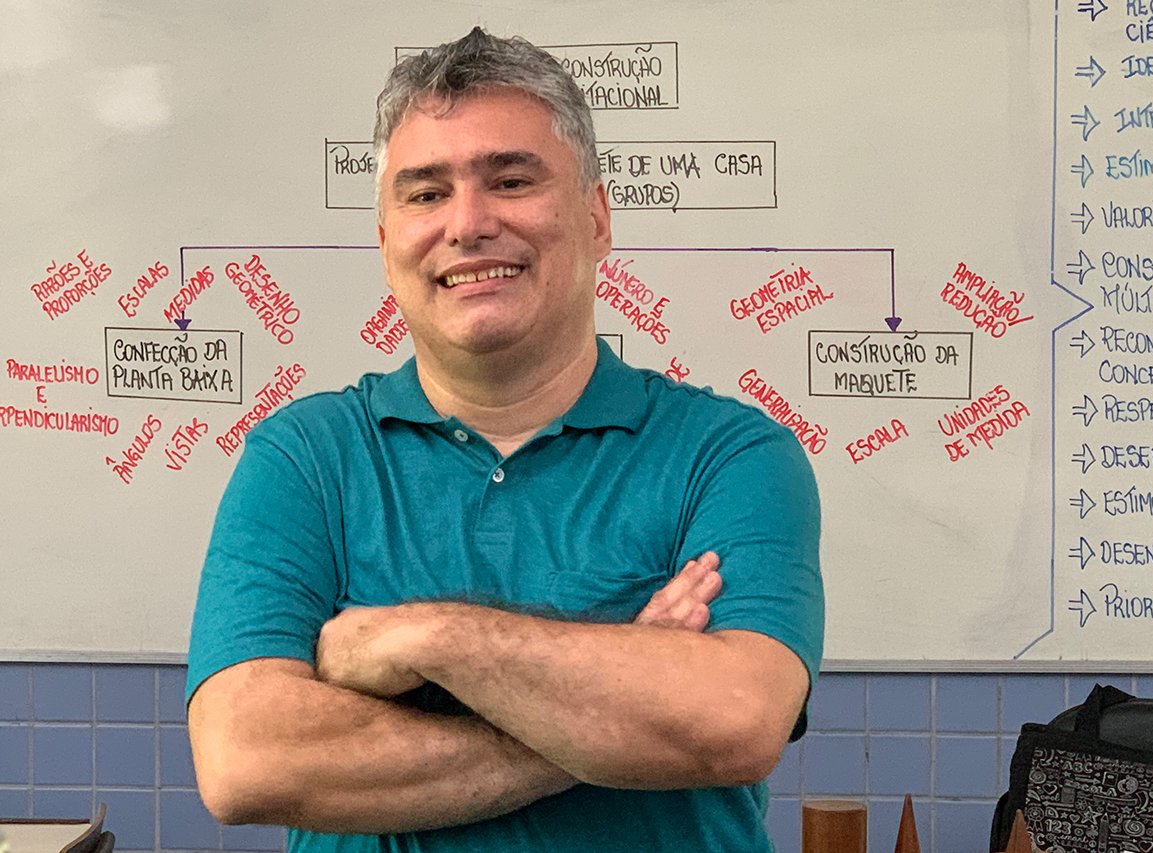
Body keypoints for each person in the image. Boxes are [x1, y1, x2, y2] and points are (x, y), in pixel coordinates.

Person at [185, 27, 823, 852]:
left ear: (595, 217)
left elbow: (733, 721)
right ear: (386, 244)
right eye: (425, 194)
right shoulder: (303, 460)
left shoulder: (731, 455)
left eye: (511, 181)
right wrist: (618, 694)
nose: (468, 223)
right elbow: (247, 762)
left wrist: (423, 638)